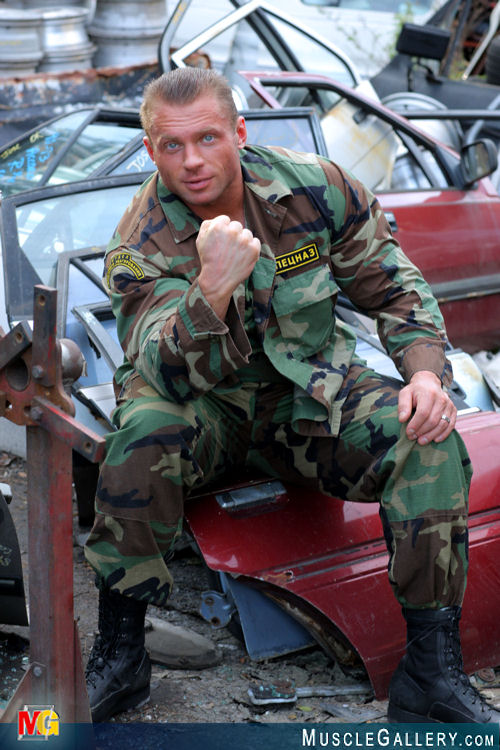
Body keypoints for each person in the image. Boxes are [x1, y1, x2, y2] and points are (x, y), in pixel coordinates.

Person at [83, 67, 499, 725]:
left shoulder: (314, 188)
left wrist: (426, 375)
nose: (192, 161)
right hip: (208, 410)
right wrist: (212, 288)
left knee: (426, 437)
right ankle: (121, 652)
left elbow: (395, 287)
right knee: (139, 435)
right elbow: (167, 374)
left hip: (307, 400)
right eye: (171, 145)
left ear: (240, 132)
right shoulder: (140, 242)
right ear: (150, 150)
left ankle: (430, 671)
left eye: (208, 138)